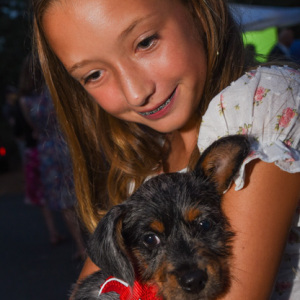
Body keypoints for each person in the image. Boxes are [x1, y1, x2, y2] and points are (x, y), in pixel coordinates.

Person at [31, 0, 300, 299]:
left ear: (199, 9)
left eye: (145, 42)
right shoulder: (146, 163)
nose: (136, 93)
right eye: (93, 74)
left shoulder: (260, 105)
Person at [19, 54, 86, 259]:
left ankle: (81, 246)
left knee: (63, 200)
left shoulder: (25, 101)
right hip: (68, 143)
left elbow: (33, 127)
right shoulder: (56, 92)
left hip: (47, 151)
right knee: (82, 190)